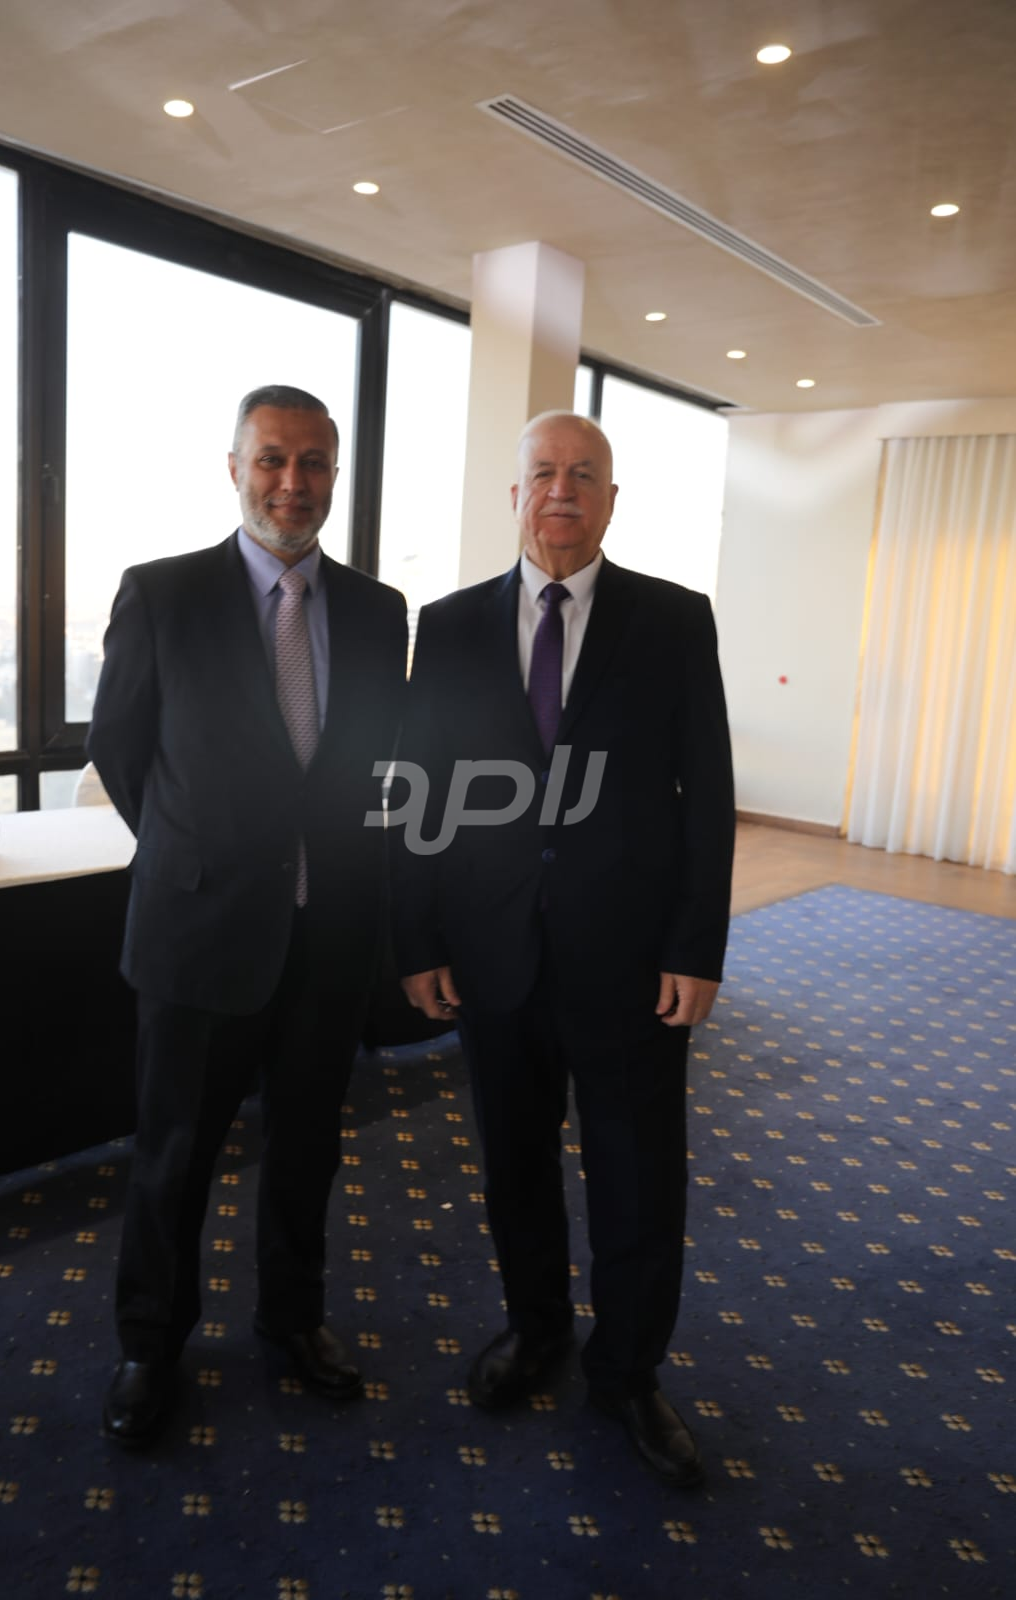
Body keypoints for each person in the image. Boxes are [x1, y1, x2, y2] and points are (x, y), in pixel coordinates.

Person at [392, 411, 734, 1488]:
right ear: (515, 494)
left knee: (638, 1173)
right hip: (491, 955)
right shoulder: (449, 627)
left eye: (583, 474)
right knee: (514, 1163)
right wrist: (420, 938)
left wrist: (697, 946)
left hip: (631, 963)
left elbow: (706, 793)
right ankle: (536, 1328)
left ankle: (628, 1372)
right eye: (542, 472)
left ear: (611, 499)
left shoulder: (673, 621)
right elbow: (422, 795)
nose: (561, 490)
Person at [87, 385, 407, 1444]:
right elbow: (120, 750)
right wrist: (197, 852)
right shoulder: (163, 594)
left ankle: (293, 1318)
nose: (292, 483)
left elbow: (374, 765)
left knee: (309, 1147)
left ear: (334, 476)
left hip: (329, 938)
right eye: (272, 459)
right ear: (234, 468)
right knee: (174, 1154)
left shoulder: (379, 611)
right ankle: (150, 1342)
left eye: (314, 463)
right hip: (198, 934)